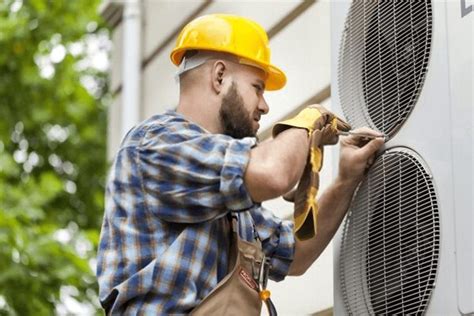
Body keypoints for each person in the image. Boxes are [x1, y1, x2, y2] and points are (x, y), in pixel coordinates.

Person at [96, 14, 384, 314]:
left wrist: (347, 179)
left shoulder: (228, 195)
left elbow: (297, 252)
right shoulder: (156, 142)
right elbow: (273, 173)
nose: (264, 105)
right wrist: (307, 122)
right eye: (257, 87)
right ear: (219, 76)